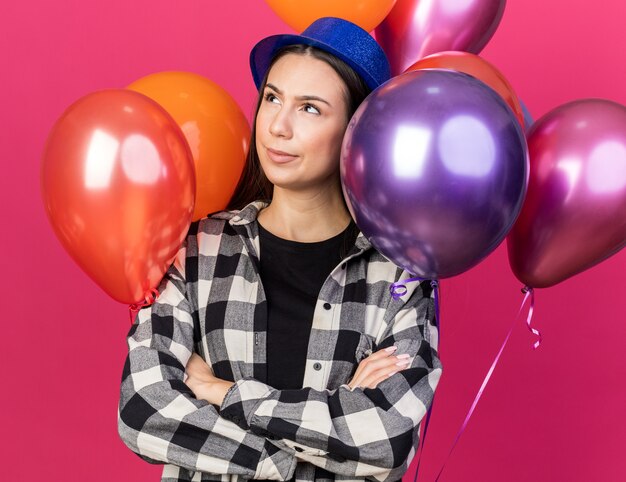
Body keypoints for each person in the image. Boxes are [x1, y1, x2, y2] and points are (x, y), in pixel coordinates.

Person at [118, 17, 442, 482]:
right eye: (272, 98)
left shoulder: (398, 276)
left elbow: (384, 440)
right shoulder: (195, 249)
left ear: (359, 129)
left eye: (310, 109)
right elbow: (142, 411)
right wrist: (297, 453)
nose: (278, 126)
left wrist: (221, 391)